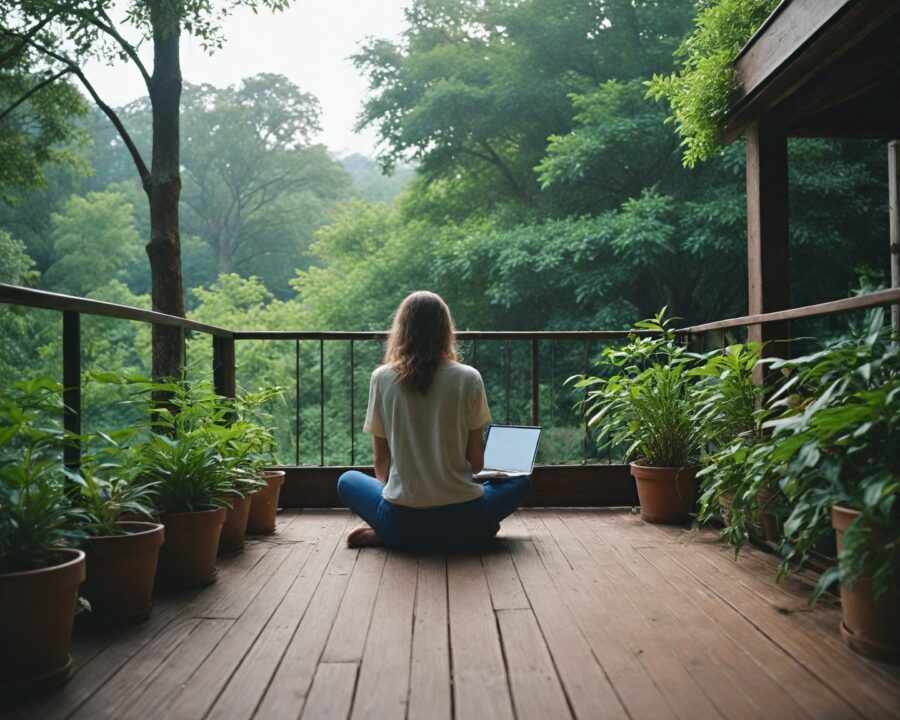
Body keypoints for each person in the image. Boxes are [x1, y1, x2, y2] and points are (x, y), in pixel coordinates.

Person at [337, 291, 531, 552]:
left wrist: (407, 492)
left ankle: (391, 534)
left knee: (347, 480)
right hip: (464, 517)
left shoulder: (381, 378)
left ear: (401, 330)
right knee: (520, 481)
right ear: (445, 330)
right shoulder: (469, 377)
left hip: (401, 520)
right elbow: (476, 463)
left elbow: (380, 463)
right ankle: (471, 532)